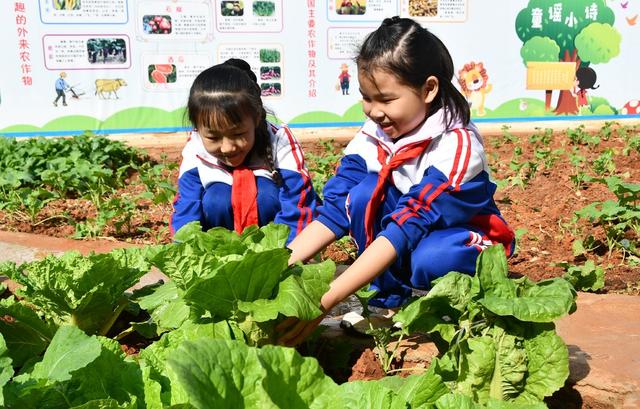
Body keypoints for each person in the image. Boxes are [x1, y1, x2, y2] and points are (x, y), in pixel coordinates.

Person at [278, 16, 515, 346]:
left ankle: (456, 307)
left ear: (428, 89)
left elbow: (410, 223)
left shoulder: (457, 144)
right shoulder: (375, 134)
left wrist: (325, 301)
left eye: (386, 100)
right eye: (366, 98)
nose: (373, 111)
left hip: (463, 239)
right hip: (407, 235)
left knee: (432, 258)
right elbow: (336, 210)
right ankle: (389, 302)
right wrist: (276, 268)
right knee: (361, 196)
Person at [171, 58, 319, 244]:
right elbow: (187, 207)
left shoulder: (279, 140)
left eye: (238, 134)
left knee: (265, 196)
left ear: (256, 118)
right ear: (197, 128)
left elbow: (297, 203)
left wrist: (284, 255)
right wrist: (187, 252)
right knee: (216, 198)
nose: (227, 147)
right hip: (218, 241)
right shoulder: (195, 145)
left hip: (274, 245)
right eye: (213, 138)